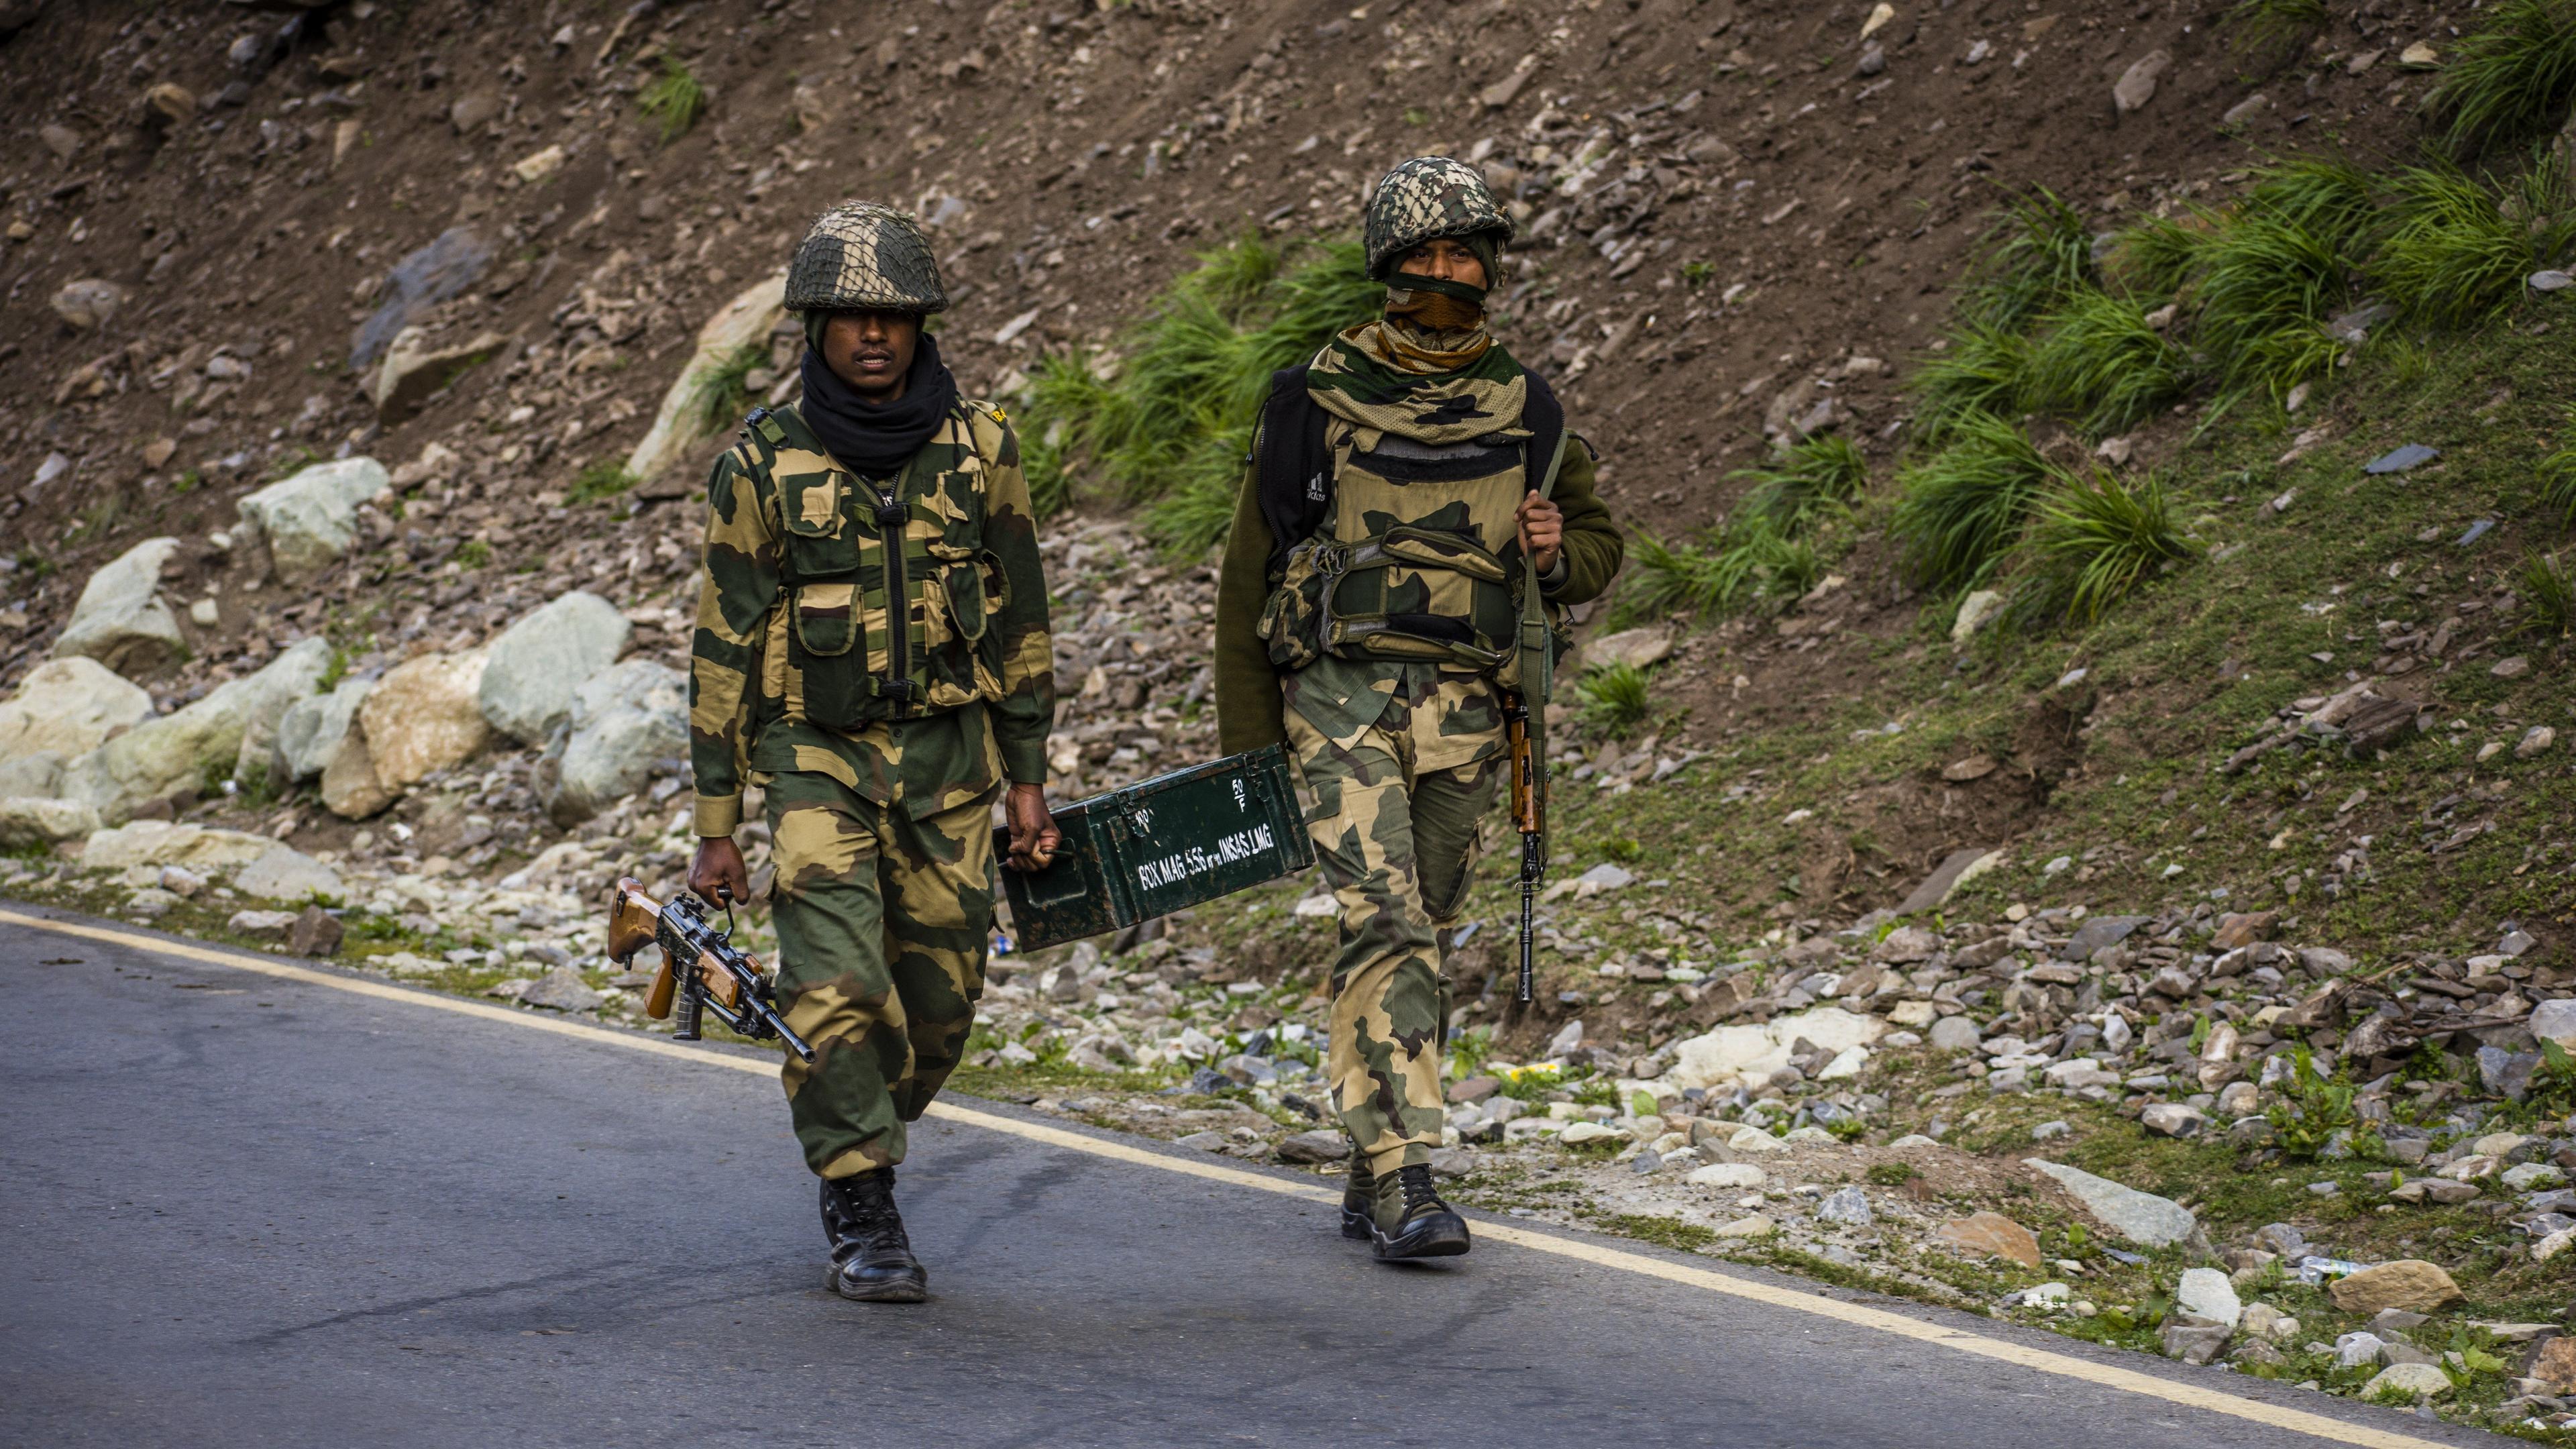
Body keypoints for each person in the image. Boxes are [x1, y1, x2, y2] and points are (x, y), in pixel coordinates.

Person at [1213, 158, 1625, 1260]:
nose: (1443, 275)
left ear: (1488, 269)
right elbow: (1247, 583)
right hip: (1340, 704)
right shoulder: (1309, 400)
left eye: (1462, 256)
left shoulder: (1528, 406)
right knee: (1383, 921)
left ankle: (1364, 1156)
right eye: (1422, 258)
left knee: (1427, 926)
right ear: (1386, 269)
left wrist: (1556, 550)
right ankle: (1404, 1175)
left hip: (1470, 716)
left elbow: (1596, 548)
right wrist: (1248, 760)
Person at [686, 201, 1059, 1304]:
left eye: (893, 314)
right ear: (813, 325)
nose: (874, 335)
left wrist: (1030, 778)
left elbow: (1024, 620)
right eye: (849, 316)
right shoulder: (759, 463)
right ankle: (860, 1196)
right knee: (838, 988)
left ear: (922, 323)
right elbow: (722, 650)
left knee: (938, 1008)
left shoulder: (983, 451)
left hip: (951, 763)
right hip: (817, 761)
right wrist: (716, 824)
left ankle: (858, 1114)